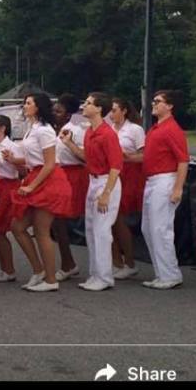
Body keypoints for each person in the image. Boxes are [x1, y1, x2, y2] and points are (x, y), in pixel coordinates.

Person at [59, 93, 123, 291]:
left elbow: (115, 166)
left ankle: (104, 277)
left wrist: (106, 193)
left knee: (102, 231)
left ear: (99, 109)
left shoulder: (108, 134)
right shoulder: (89, 132)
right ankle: (96, 274)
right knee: (91, 230)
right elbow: (87, 157)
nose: (84, 106)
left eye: (88, 103)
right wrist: (69, 143)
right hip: (93, 181)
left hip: (106, 181)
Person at [8, 93, 72, 292]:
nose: (25, 106)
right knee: (17, 226)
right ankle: (38, 270)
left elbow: (50, 163)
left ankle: (51, 280)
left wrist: (31, 186)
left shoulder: (44, 130)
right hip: (37, 176)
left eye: (28, 103)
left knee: (41, 231)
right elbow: (33, 158)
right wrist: (14, 160)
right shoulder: (33, 128)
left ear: (38, 107)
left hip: (48, 181)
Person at [141, 90, 189, 290]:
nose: (154, 103)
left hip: (164, 180)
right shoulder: (156, 128)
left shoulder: (172, 129)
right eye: (154, 101)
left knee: (160, 229)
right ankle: (162, 273)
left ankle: (170, 274)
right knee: (148, 228)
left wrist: (177, 188)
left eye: (158, 101)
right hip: (152, 181)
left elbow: (183, 160)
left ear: (169, 106)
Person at [0, 114, 24, 283]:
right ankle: (3, 267)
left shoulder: (12, 146)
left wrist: (12, 160)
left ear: (3, 128)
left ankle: (9, 269)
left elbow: (23, 171)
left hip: (7, 187)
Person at [109, 98, 144, 279]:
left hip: (128, 174)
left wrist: (126, 156)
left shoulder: (135, 129)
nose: (111, 114)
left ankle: (129, 262)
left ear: (124, 111)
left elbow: (144, 155)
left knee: (119, 219)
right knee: (110, 221)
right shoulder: (109, 129)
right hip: (112, 173)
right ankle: (117, 262)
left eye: (114, 110)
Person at [53, 93, 87, 282]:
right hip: (59, 173)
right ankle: (68, 262)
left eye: (59, 111)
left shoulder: (75, 130)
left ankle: (69, 264)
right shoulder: (54, 130)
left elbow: (84, 157)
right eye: (54, 110)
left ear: (68, 114)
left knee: (61, 221)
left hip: (73, 174)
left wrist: (70, 143)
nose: (55, 113)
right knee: (56, 222)